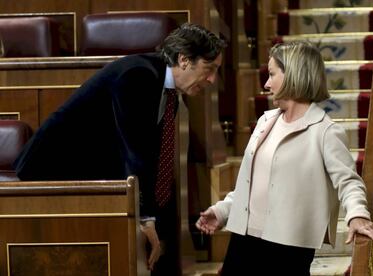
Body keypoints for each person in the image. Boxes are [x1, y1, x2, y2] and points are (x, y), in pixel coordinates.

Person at [13, 23, 226, 274]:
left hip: (91, 170)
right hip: (50, 171)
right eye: (209, 69)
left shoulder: (168, 92)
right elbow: (135, 152)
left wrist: (153, 218)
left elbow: (156, 162)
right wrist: (145, 218)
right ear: (184, 60)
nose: (212, 79)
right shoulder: (138, 75)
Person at [196, 41, 373, 275]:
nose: (266, 83)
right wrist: (223, 210)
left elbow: (349, 182)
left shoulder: (326, 131)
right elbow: (253, 184)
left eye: (272, 74)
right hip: (244, 239)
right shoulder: (265, 122)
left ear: (293, 75)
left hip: (288, 246)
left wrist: (357, 215)